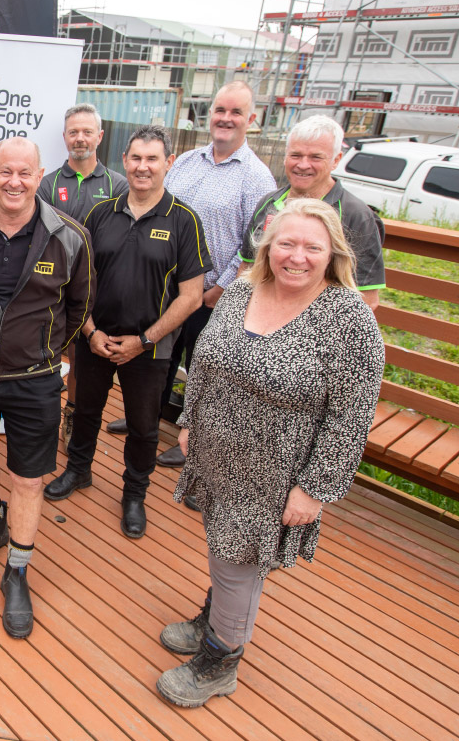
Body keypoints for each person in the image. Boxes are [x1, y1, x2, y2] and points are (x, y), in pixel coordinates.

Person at [155, 198, 384, 708]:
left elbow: (351, 418)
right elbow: (206, 359)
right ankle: (217, 617)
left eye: (311, 247)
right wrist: (189, 421)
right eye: (286, 243)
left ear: (333, 255)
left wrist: (315, 490)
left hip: (276, 474)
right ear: (267, 247)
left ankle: (221, 660)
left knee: (239, 561)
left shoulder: (350, 322)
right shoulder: (242, 292)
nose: (296, 256)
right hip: (217, 455)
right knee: (223, 549)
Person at [0, 136, 94, 639]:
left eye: (25, 173)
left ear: (39, 175)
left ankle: (19, 569)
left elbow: (79, 308)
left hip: (36, 381)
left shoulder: (69, 237)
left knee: (29, 477)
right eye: (6, 171)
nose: (15, 182)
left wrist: (41, 352)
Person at [44, 126, 210, 542]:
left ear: (168, 164)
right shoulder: (102, 214)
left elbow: (191, 297)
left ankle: (134, 495)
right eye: (136, 158)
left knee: (143, 427)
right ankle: (78, 471)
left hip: (149, 349)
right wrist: (90, 330)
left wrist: (145, 340)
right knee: (85, 412)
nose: (143, 167)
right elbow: (78, 281)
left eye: (152, 159)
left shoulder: (184, 220)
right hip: (96, 338)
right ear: (125, 161)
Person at [137, 82, 277, 473]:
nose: (225, 119)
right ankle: (144, 422)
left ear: (252, 120)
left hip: (213, 292)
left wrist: (220, 289)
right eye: (220, 110)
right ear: (209, 114)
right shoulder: (185, 162)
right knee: (158, 360)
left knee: (202, 366)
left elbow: (257, 241)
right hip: (166, 286)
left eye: (236, 112)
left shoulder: (256, 177)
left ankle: (193, 440)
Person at [40, 104, 127, 451]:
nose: (80, 138)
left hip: (94, 290)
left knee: (80, 359)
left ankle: (72, 412)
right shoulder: (47, 183)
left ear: (99, 137)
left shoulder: (117, 184)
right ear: (64, 137)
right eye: (73, 132)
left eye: (87, 132)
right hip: (51, 286)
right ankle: (43, 414)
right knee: (44, 353)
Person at [240, 114, 385, 308]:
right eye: (296, 155)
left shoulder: (356, 216)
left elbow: (367, 297)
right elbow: (247, 267)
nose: (303, 165)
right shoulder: (269, 203)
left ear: (336, 160)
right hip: (260, 316)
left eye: (316, 157)